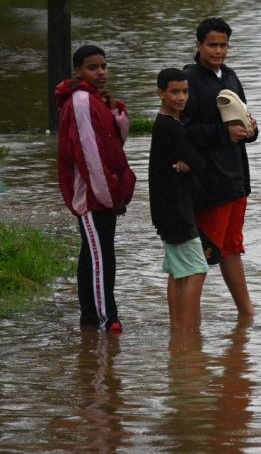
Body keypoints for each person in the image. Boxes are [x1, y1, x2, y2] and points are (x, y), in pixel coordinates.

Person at [56, 45, 137, 334]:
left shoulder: (95, 100)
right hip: (92, 195)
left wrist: (115, 111)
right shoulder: (79, 101)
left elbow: (114, 144)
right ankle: (107, 319)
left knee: (95, 253)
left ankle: (91, 317)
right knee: (100, 256)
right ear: (78, 71)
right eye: (93, 67)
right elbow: (89, 155)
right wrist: (109, 197)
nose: (101, 72)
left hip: (104, 192)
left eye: (104, 66)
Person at [183, 17, 258, 317]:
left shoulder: (230, 76)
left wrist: (252, 130)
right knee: (203, 254)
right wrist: (223, 134)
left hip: (236, 180)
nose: (218, 51)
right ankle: (187, 327)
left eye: (223, 45)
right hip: (210, 183)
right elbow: (183, 131)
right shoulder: (187, 81)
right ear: (199, 45)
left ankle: (246, 313)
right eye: (212, 45)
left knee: (232, 248)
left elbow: (242, 119)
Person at [150, 68, 208, 333]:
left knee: (177, 270)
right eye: (175, 92)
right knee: (197, 269)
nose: (181, 97)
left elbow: (191, 162)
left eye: (185, 92)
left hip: (166, 209)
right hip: (176, 211)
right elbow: (198, 162)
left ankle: (178, 330)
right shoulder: (170, 128)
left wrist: (191, 164)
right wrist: (193, 164)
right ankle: (188, 333)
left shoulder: (167, 124)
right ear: (160, 93)